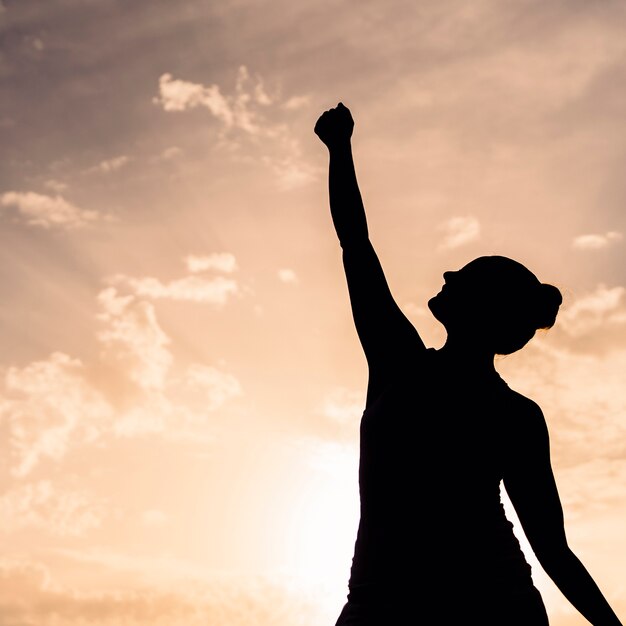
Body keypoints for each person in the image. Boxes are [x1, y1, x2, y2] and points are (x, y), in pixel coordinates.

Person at [314, 102, 623, 626]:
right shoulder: (513, 413)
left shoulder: (403, 367)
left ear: (480, 307)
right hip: (429, 604)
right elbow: (553, 551)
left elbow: (356, 246)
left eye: (465, 274)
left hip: (470, 607)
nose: (447, 272)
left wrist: (340, 150)